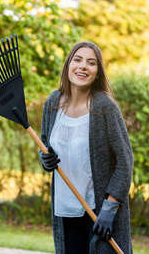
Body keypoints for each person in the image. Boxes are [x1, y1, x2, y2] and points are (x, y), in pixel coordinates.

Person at [38, 41, 134, 254]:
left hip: (98, 213)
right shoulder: (53, 103)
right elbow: (46, 144)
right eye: (78, 60)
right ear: (68, 65)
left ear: (97, 72)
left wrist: (109, 209)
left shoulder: (104, 107)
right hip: (66, 211)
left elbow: (125, 160)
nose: (83, 66)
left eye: (91, 63)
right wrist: (44, 158)